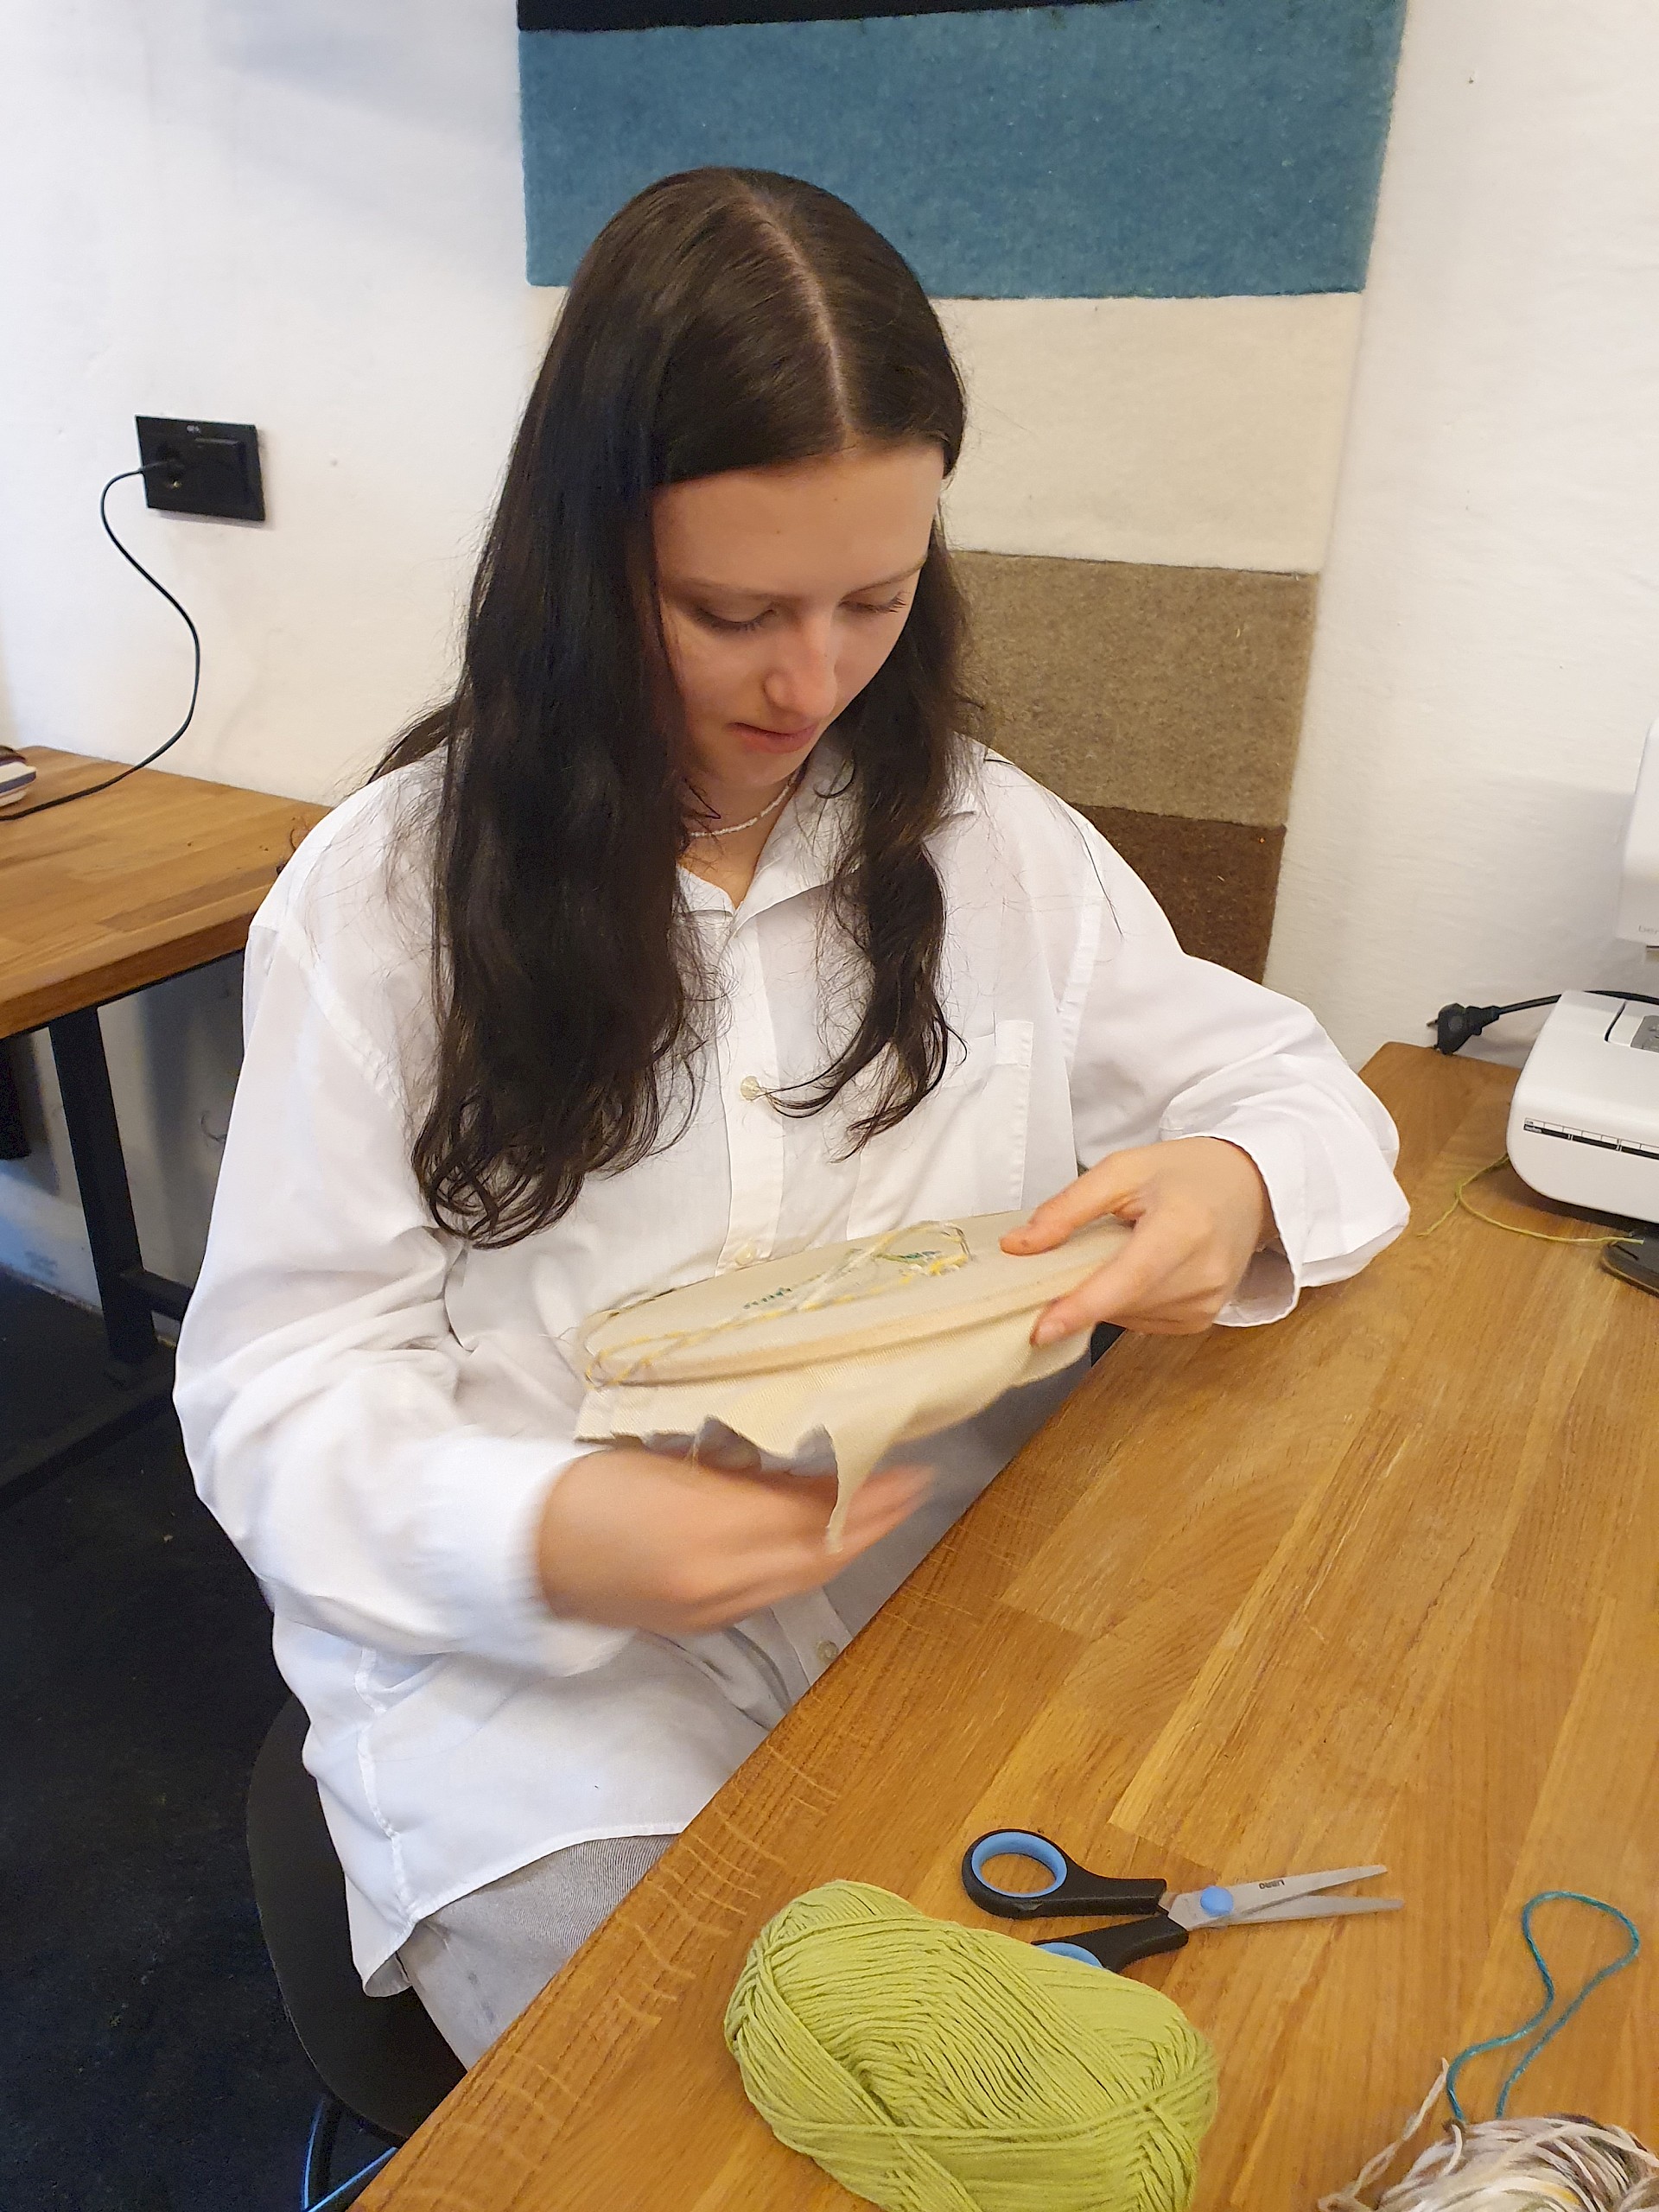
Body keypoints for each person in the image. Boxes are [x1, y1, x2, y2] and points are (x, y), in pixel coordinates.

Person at [174, 168, 1408, 2066]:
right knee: (725, 2099)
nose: (811, 679)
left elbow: (1293, 1086)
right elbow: (277, 1387)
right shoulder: (383, 903)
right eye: (729, 609)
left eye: (874, 600)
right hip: (549, 1700)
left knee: (1247, 2013)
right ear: (584, 563)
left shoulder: (988, 844)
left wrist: (1233, 1181)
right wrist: (542, 1527)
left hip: (943, 1604)